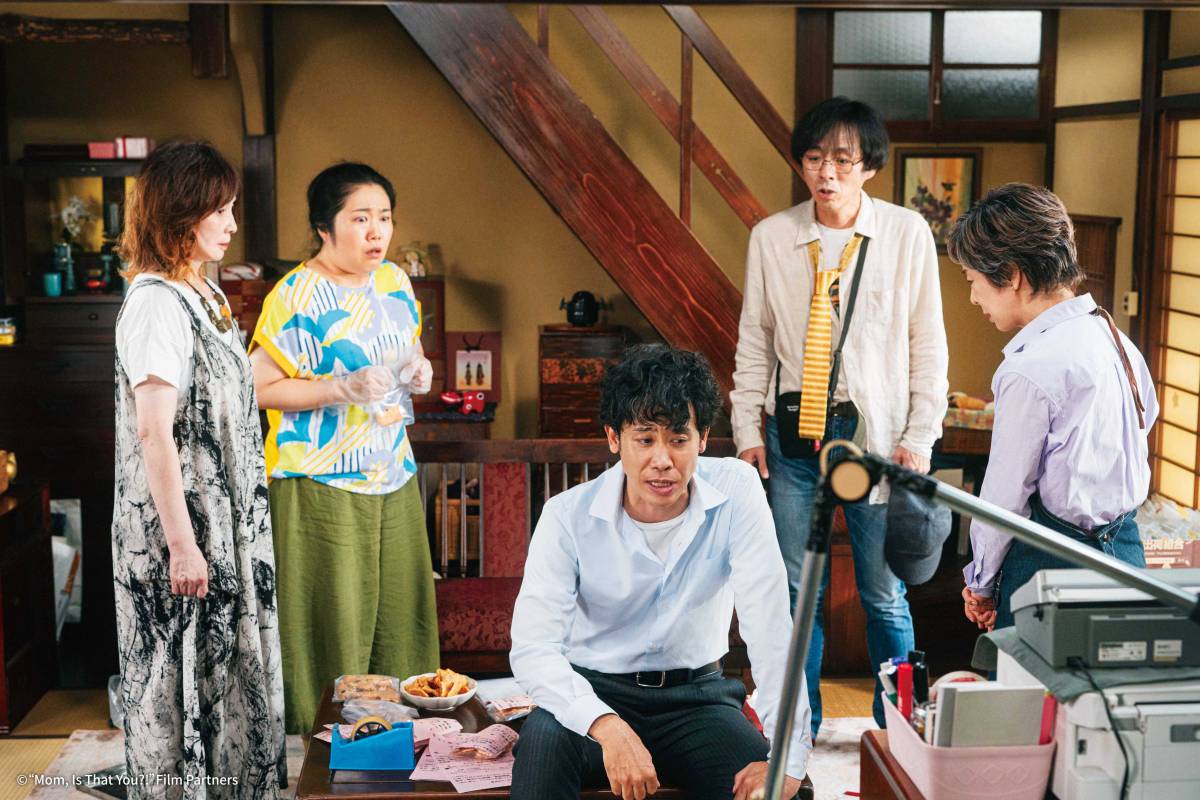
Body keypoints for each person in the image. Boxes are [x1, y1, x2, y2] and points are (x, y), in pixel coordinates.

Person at [730, 97, 948, 733]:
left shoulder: (906, 233)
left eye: (843, 160)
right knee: (798, 594)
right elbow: (753, 340)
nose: (826, 173)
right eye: (814, 158)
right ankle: (799, 729)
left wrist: (920, 437)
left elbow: (928, 343)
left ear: (869, 167)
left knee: (883, 593)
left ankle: (898, 729)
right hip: (794, 437)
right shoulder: (772, 237)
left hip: (875, 439)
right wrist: (745, 430)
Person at [510, 345, 813, 800]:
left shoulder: (737, 491)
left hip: (699, 700)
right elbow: (534, 647)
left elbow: (770, 625)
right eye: (645, 439)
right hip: (594, 692)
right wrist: (607, 726)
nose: (663, 460)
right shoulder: (566, 516)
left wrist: (787, 758)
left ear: (703, 438)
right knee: (540, 756)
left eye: (678, 439)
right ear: (614, 438)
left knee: (778, 793)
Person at [112, 141, 286, 796]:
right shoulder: (156, 303)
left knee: (230, 684)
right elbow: (153, 431)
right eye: (220, 210)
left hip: (224, 522)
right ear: (181, 215)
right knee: (185, 684)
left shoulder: (202, 290)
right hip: (182, 531)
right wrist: (184, 548)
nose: (232, 224)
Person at [249, 162, 438, 734]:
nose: (376, 231)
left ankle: (399, 739)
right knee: (332, 623)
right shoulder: (295, 294)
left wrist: (419, 370)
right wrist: (340, 388)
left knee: (399, 618)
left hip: (393, 474)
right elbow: (257, 386)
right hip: (319, 482)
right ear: (324, 228)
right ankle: (321, 748)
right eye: (360, 219)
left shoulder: (395, 282)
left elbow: (407, 351)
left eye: (384, 217)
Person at [948, 183, 1158, 631]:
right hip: (1127, 554)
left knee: (1030, 680)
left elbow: (1004, 498)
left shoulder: (1029, 369)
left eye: (973, 281)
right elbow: (1146, 421)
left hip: (1053, 565)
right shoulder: (1116, 340)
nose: (973, 298)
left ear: (1012, 275)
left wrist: (981, 582)